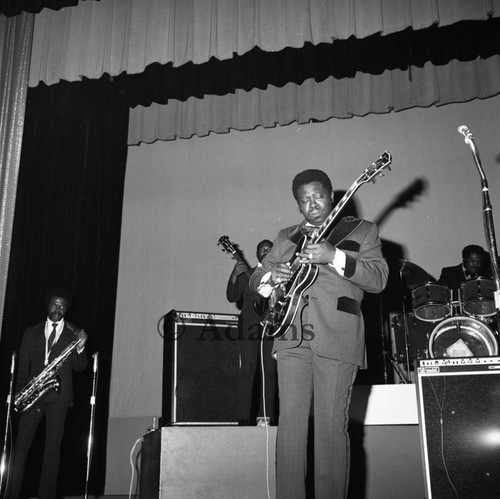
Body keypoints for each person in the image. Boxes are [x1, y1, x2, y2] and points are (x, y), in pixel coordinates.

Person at [249, 169, 388, 498]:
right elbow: (257, 278)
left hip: (338, 334)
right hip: (291, 335)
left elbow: (379, 279)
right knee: (291, 430)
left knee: (329, 429)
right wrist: (273, 279)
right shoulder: (286, 237)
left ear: (332, 196)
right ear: (298, 205)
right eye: (304, 200)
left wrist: (334, 256)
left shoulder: (362, 230)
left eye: (318, 196)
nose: (312, 204)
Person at [6, 287, 88, 499]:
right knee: (21, 448)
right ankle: (11, 493)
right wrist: (19, 395)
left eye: (62, 306)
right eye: (54, 304)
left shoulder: (73, 334)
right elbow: (23, 366)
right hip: (32, 396)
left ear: (67, 309)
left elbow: (80, 366)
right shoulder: (31, 332)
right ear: (48, 305)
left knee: (53, 450)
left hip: (58, 397)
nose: (57, 308)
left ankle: (47, 495)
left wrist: (81, 346)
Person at [226, 239, 277, 425]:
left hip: (271, 328)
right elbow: (232, 296)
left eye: (269, 249)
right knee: (247, 370)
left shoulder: (279, 275)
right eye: (262, 249)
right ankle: (243, 418)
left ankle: (266, 416)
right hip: (249, 328)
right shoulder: (246, 274)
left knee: (269, 371)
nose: (265, 251)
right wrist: (234, 275)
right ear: (257, 254)